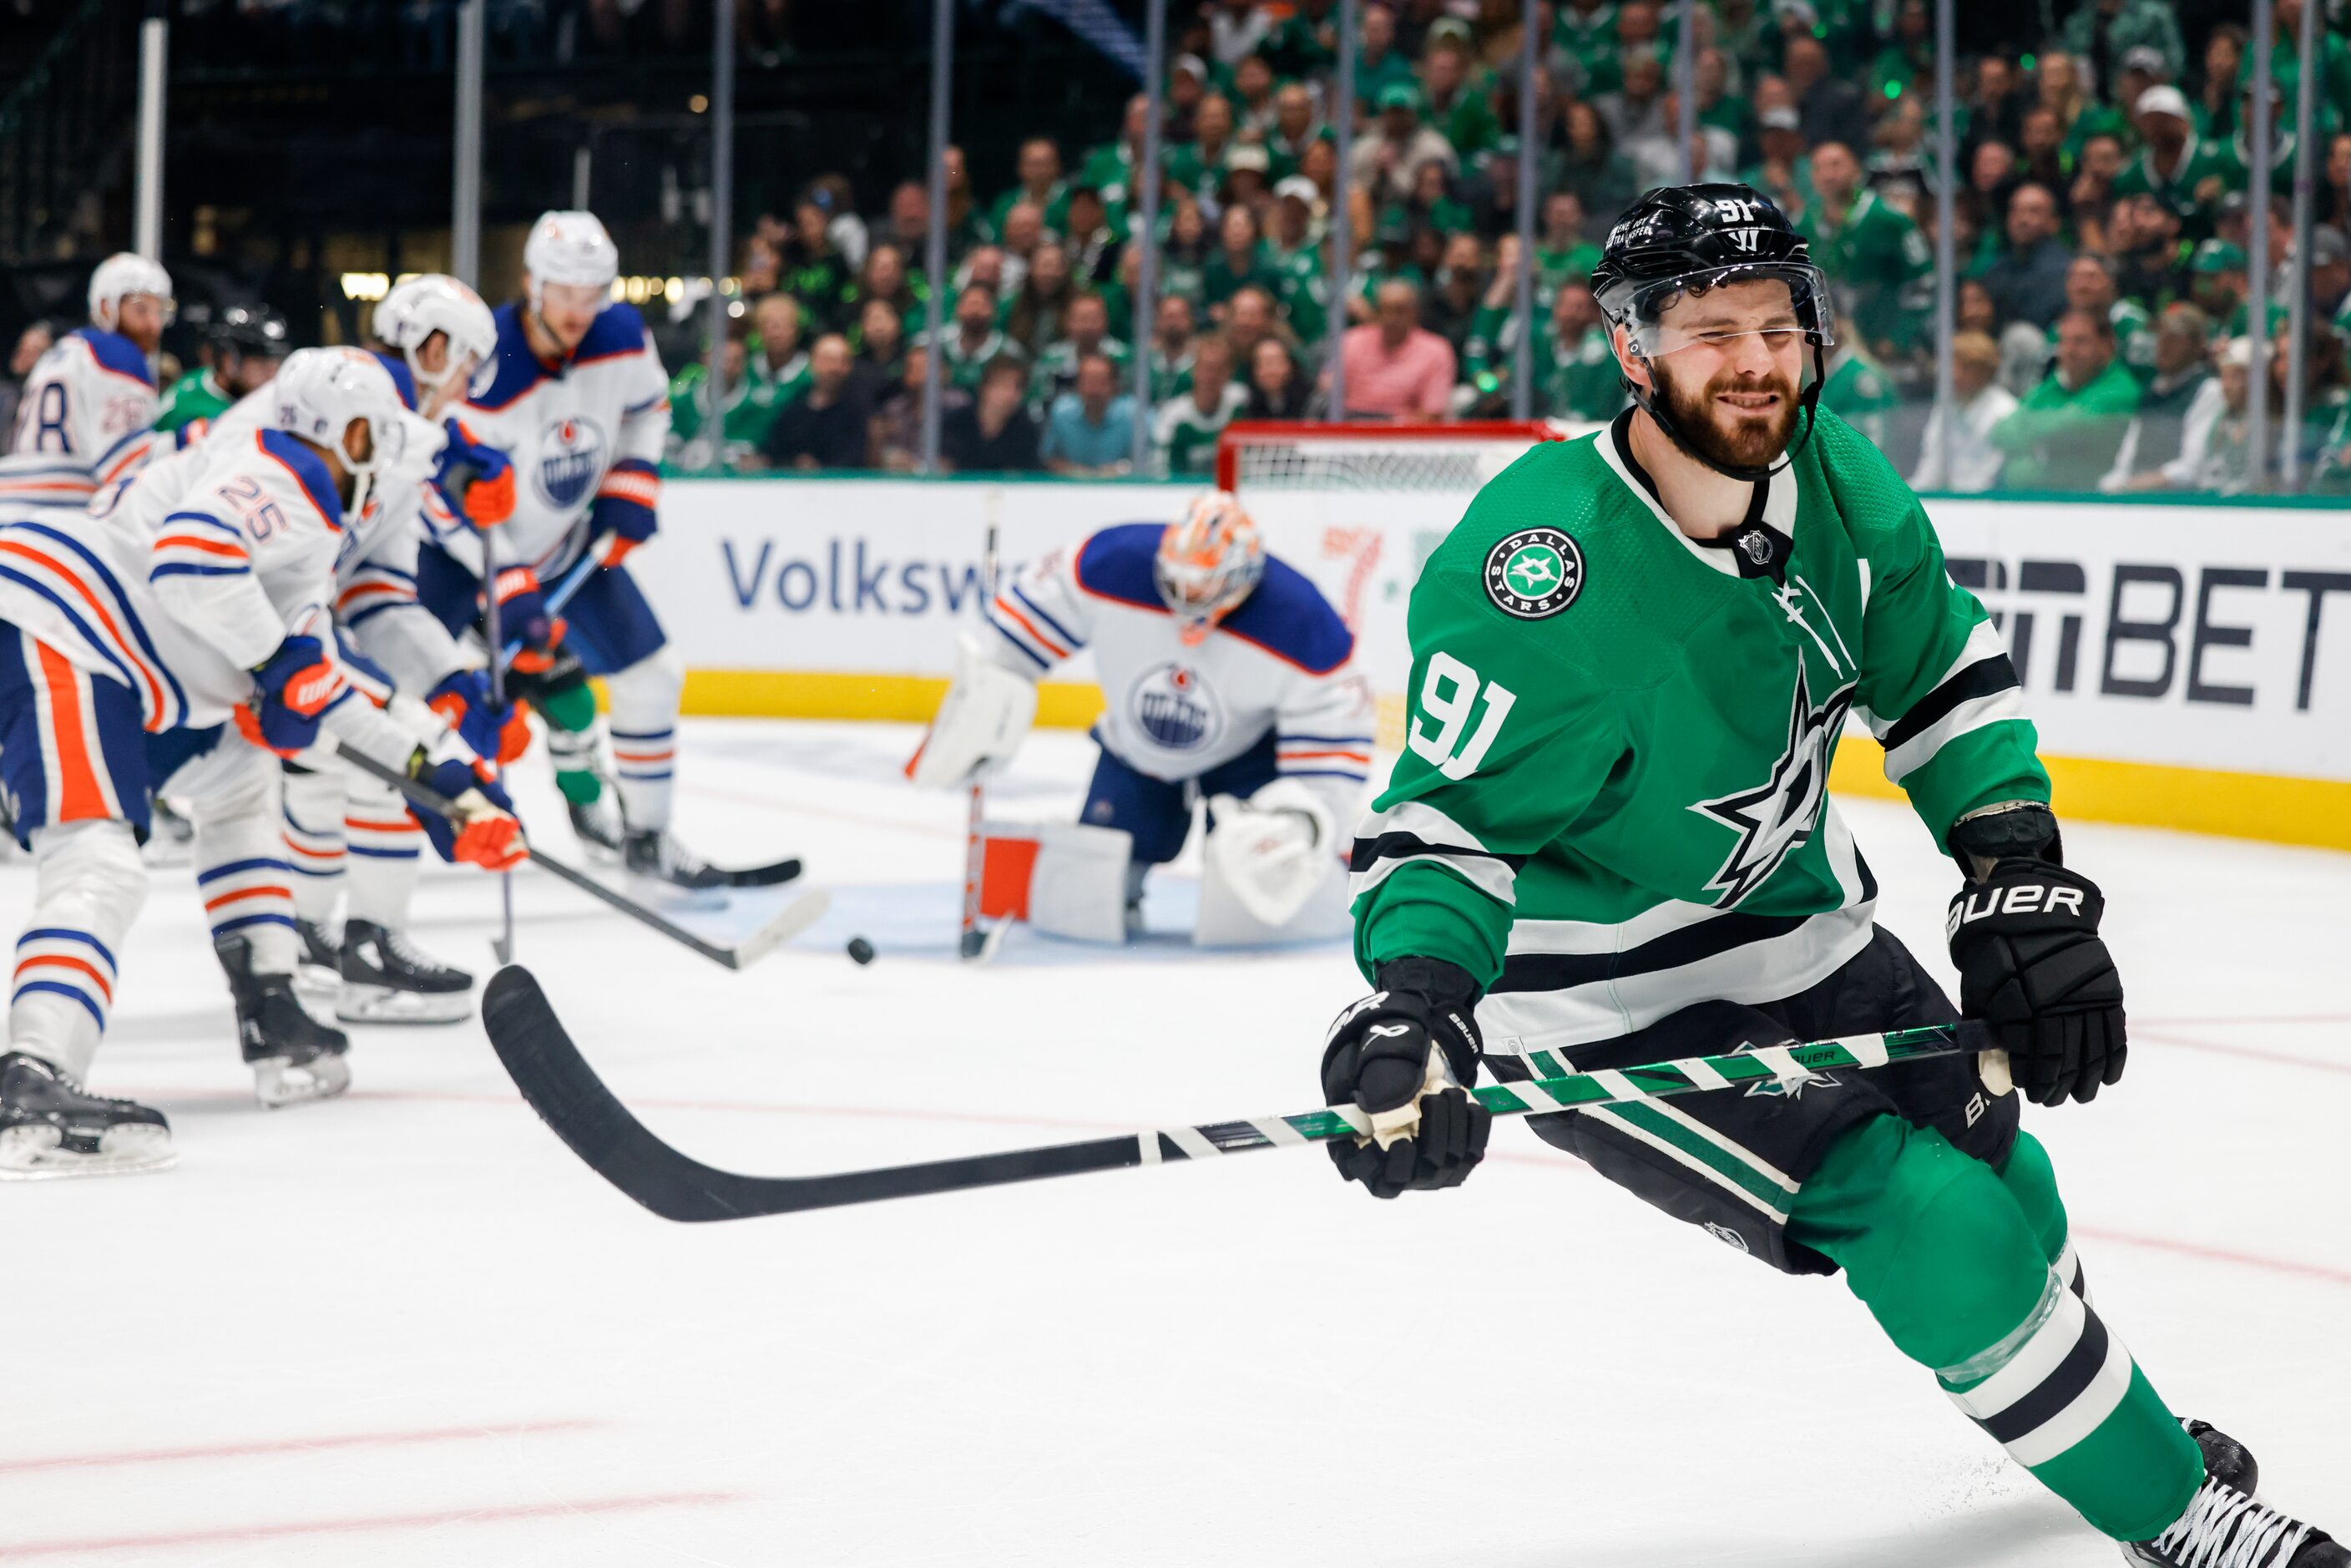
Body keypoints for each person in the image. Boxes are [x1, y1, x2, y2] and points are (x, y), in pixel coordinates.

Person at [1325, 182, 2344, 1565]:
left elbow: (1941, 685)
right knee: (1924, 1216)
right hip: (1611, 1001)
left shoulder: (1841, 478)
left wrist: (2014, 873)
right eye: (1709, 331)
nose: (1755, 359)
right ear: (1632, 350)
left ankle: (2107, 1432)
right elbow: (1443, 823)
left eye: (1777, 323)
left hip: (1802, 927)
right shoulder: (1538, 573)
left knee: (2011, 1188)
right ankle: (2181, 1516)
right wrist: (1421, 1004)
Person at [0, 348, 526, 1160]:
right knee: (98, 862)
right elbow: (191, 562)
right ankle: (31, 1073)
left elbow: (330, 693)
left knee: (241, 784)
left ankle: (269, 1000)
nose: (383, 464)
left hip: (141, 672)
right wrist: (279, 666)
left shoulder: (302, 528)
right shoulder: (278, 472)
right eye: (374, 439)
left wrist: (447, 788)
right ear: (345, 434)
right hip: (66, 631)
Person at [447, 210, 766, 889]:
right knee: (466, 708)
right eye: (565, 293)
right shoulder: (488, 359)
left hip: (566, 549)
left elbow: (648, 409)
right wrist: (503, 583)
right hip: (469, 567)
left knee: (654, 677)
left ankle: (647, 838)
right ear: (533, 285)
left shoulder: (620, 334)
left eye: (591, 295)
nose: (578, 310)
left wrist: (630, 484)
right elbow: (455, 496)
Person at [908, 493, 1373, 947]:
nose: (1185, 596)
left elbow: (1337, 725)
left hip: (1247, 760)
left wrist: (1306, 818)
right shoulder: (1111, 564)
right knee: (1087, 897)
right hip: (1136, 752)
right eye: (1177, 579)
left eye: (1203, 584)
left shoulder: (1300, 620)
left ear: (1245, 574)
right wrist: (984, 694)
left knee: (1250, 905)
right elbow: (1021, 623)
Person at [0, 253, 171, 508]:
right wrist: (194, 438)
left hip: (10, 497)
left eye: (159, 312)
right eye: (141, 310)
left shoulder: (60, 352)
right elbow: (126, 464)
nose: (153, 325)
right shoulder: (117, 353)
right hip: (60, 510)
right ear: (106, 308)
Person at [1989, 308, 2141, 490]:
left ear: (2106, 345)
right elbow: (2002, 431)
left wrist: (2030, 435)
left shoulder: (2120, 388)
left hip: (2092, 503)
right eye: (2063, 342)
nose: (2069, 350)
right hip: (2033, 501)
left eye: (2080, 341)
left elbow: (2071, 425)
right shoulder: (2056, 382)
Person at [1909, 329, 2018, 491]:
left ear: (1980, 370)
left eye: (1956, 366)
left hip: (1985, 506)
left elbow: (1992, 478)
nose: (1946, 374)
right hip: (1949, 503)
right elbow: (1930, 469)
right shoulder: (1945, 409)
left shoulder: (2005, 411)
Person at [155, 305, 289, 434]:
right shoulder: (190, 410)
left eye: (276, 367)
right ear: (228, 360)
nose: (272, 377)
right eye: (262, 365)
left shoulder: (267, 398)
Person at [1337, 278, 1457, 420]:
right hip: (1350, 429)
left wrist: (1388, 430)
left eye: (1399, 310)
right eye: (1385, 310)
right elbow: (1327, 395)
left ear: (1414, 311)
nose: (1391, 318)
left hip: (1405, 434)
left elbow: (1433, 413)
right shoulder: (1351, 342)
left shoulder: (1437, 351)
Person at [761, 333, 874, 471]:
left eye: (842, 361)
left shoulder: (859, 412)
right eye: (828, 360)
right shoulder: (792, 408)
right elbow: (772, 453)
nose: (835, 368)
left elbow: (856, 459)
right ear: (812, 362)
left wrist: (821, 470)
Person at [1154, 333, 1249, 476]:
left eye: (1219, 369)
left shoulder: (1241, 402)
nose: (1212, 376)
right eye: (1207, 368)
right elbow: (1160, 468)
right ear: (1194, 370)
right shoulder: (1174, 415)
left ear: (1228, 373)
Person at [1982, 182, 2072, 330]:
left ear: (2054, 222)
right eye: (2016, 211)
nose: (2022, 220)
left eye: (2034, 212)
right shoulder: (1997, 269)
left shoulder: (2065, 269)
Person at [938, 355, 1042, 473]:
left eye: (1018, 387)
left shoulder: (1026, 429)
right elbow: (944, 469)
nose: (1011, 394)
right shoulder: (956, 423)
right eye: (1004, 386)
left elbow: (1022, 477)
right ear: (984, 388)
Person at [1041, 352, 1137, 477]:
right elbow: (1048, 458)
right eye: (1088, 382)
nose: (1094, 391)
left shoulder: (1133, 415)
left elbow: (1148, 460)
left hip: (1121, 489)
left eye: (1101, 383)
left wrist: (1121, 469)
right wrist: (1073, 471)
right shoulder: (1061, 413)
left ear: (1115, 386)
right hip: (1071, 488)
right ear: (1077, 385)